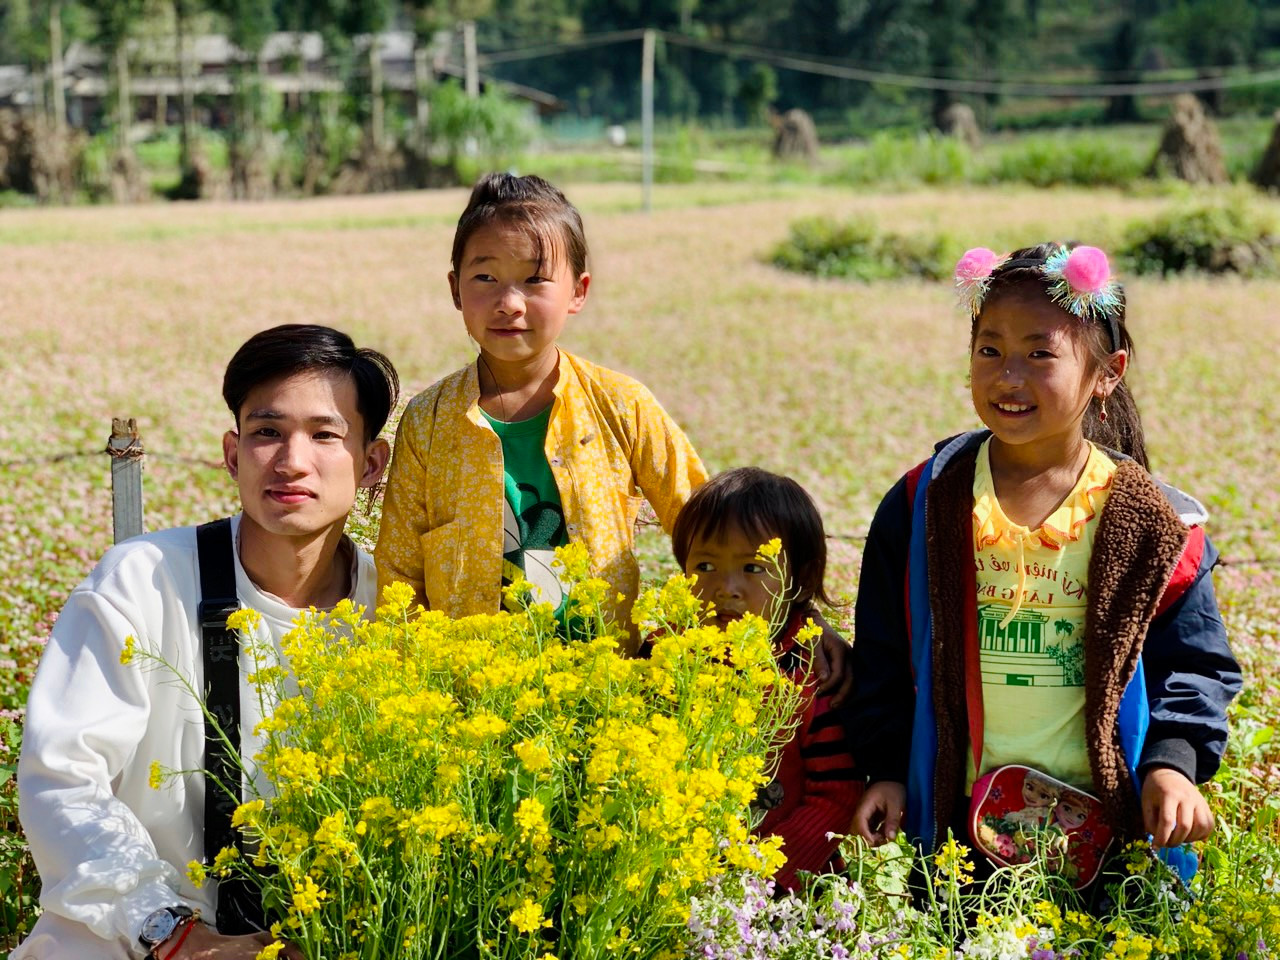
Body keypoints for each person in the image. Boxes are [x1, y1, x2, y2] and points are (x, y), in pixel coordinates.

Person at [847, 243, 1241, 873]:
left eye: (1040, 353)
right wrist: (888, 770)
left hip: (1109, 833)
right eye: (990, 350)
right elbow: (883, 658)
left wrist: (1173, 764)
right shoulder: (922, 504)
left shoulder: (1150, 523)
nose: (1009, 376)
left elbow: (1192, 664)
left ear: (1106, 372)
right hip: (955, 830)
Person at [15, 325, 398, 959]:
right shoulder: (143, 580)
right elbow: (63, 779)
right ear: (231, 452)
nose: (292, 461)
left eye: (325, 435)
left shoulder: (396, 609)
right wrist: (171, 934)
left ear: (371, 462)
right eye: (267, 432)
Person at [374, 172, 708, 649]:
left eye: (535, 280)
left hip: (606, 691)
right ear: (455, 290)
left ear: (578, 291)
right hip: (468, 699)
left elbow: (709, 525)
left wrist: (685, 645)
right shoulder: (428, 423)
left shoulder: (622, 406)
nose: (509, 303)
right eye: (485, 278)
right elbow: (399, 581)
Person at [671, 467, 861, 891]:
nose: (726, 588)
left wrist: (751, 880)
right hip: (678, 884)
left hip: (788, 892)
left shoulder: (812, 672)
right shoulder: (665, 655)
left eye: (754, 568)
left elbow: (836, 796)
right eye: (704, 565)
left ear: (802, 579)